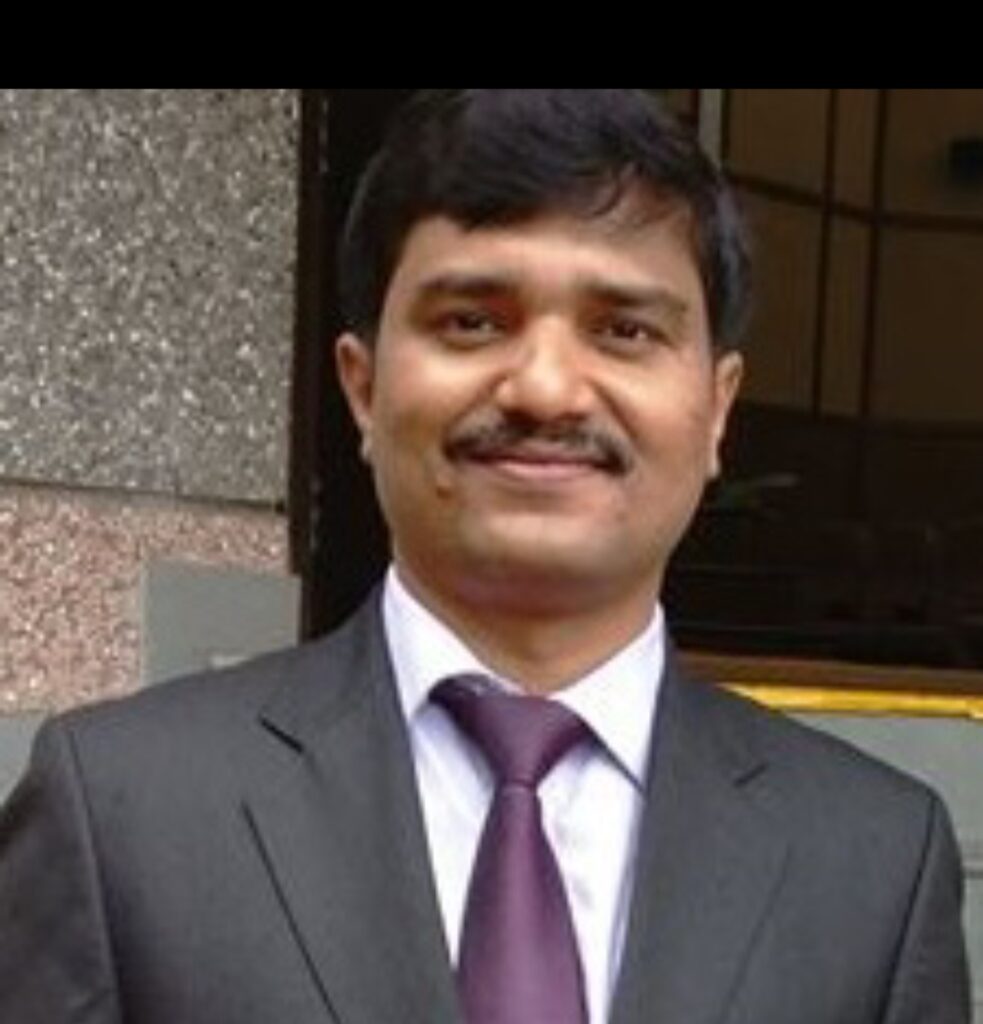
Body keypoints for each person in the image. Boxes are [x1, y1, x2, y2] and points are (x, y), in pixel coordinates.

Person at [0, 90, 970, 1024]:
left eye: (623, 330)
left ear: (715, 409)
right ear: (363, 387)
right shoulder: (122, 809)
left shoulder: (872, 861)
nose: (545, 389)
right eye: (472, 321)